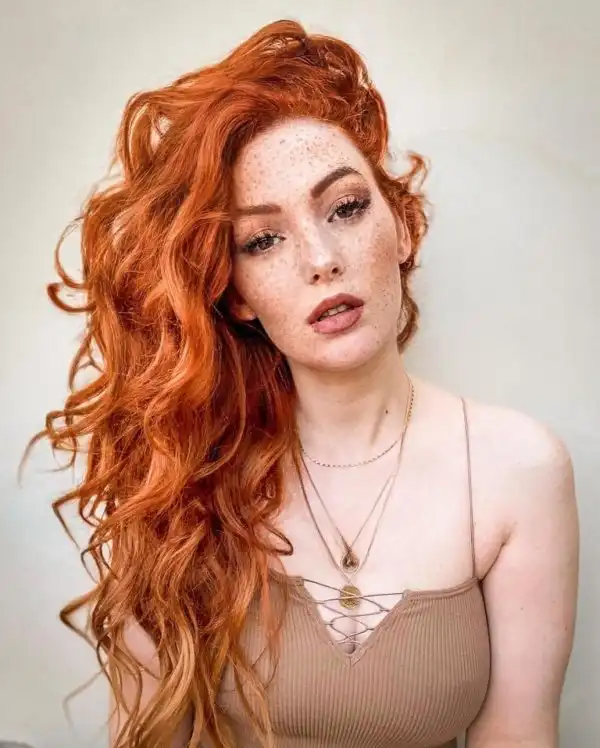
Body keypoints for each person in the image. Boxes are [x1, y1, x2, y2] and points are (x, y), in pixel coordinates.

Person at [28, 18, 579, 748]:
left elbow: (519, 732)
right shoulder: (181, 476)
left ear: (403, 226)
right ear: (236, 294)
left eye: (345, 207)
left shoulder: (518, 469)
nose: (320, 259)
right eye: (263, 240)